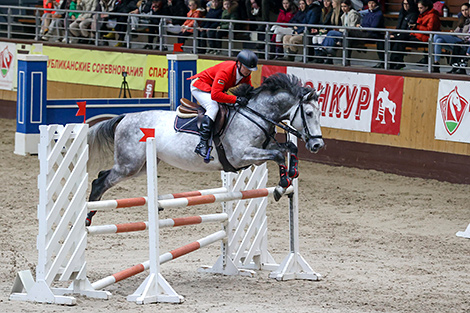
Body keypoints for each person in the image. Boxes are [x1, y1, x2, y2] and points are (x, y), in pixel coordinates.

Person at [189, 50, 258, 160]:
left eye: (250, 70)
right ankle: (202, 144)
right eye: (246, 68)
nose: (248, 72)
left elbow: (249, 91)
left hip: (214, 90)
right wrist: (236, 99)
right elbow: (215, 95)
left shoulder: (245, 75)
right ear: (239, 64)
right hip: (200, 87)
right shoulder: (226, 71)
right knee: (213, 107)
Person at [389, 0, 440, 70]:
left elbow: (429, 30)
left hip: (426, 39)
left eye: (421, 8)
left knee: (401, 39)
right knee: (399, 38)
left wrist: (416, 27)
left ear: (426, 7)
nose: (419, 10)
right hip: (418, 36)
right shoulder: (422, 15)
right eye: (418, 8)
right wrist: (413, 29)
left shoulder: (432, 16)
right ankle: (396, 61)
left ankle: (395, 62)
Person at [432, 3, 470, 73]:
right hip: (457, 40)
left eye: (466, 10)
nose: (464, 12)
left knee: (437, 35)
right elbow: (457, 31)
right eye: (462, 10)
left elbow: (465, 36)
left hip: (462, 41)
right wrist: (453, 32)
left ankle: (436, 64)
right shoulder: (463, 19)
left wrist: (456, 34)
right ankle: (436, 63)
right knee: (438, 40)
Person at [320, 0, 361, 64]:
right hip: (344, 32)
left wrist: (339, 29)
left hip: (350, 34)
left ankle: (325, 49)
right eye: (342, 6)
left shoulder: (353, 14)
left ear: (349, 6)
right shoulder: (344, 15)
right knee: (331, 33)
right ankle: (328, 50)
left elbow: (351, 27)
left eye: (345, 6)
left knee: (331, 33)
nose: (343, 8)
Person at [386, 0, 418, 69]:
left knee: (399, 40)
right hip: (400, 34)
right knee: (387, 39)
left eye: (407, 4)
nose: (405, 6)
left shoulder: (414, 14)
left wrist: (395, 35)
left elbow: (408, 30)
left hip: (408, 36)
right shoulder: (402, 13)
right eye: (404, 4)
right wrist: (393, 34)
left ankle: (394, 62)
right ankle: (387, 61)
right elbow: (398, 27)